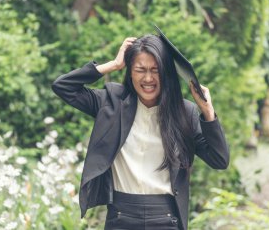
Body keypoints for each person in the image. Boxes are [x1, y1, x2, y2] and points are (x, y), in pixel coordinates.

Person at [52, 35, 229, 230]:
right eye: (140, 70)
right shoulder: (112, 103)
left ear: (166, 73)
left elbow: (219, 159)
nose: (148, 78)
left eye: (155, 70)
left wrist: (208, 112)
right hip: (120, 216)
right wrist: (113, 64)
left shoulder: (184, 112)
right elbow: (63, 86)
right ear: (130, 73)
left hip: (166, 218)